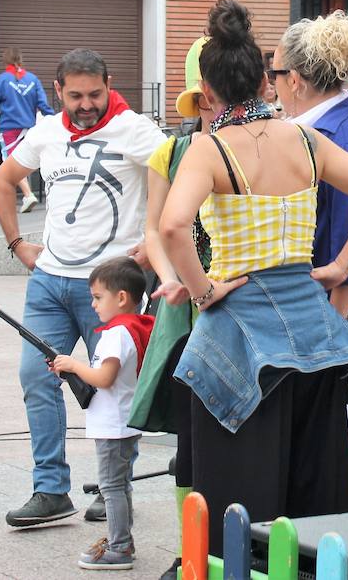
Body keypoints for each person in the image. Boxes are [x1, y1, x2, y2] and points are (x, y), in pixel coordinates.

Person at [159, 0, 348, 556]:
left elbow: (172, 226)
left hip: (240, 330)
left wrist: (203, 289)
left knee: (241, 490)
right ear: (266, 82)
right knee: (316, 477)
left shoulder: (207, 148)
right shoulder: (306, 141)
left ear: (208, 92)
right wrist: (338, 267)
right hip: (313, 330)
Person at [0, 47, 166, 529]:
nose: (86, 104)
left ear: (109, 83)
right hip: (49, 279)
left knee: (114, 388)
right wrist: (16, 243)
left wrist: (154, 242)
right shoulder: (46, 131)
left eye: (95, 94)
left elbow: (179, 176)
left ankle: (114, 487)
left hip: (112, 286)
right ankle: (50, 490)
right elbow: (5, 181)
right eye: (76, 96)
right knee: (36, 377)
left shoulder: (135, 128)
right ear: (58, 92)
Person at [273, 11, 348, 509]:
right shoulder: (333, 127)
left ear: (296, 81)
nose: (272, 84)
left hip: (337, 324)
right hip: (331, 319)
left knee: (336, 448)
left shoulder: (342, 139)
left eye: (275, 73)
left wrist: (328, 333)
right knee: (328, 447)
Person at [134, 36, 216, 580]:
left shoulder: (265, 142)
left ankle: (236, 545)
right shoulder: (171, 151)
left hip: (241, 305)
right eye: (202, 98)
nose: (209, 106)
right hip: (185, 311)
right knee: (189, 438)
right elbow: (155, 228)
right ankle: (192, 552)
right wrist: (172, 280)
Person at [50, 257, 155, 571]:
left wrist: (72, 365)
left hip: (114, 425)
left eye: (98, 297)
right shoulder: (131, 328)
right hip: (121, 422)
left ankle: (119, 546)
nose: (93, 304)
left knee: (111, 487)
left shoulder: (115, 334)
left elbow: (103, 378)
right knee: (120, 485)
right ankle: (122, 541)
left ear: (121, 298)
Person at [0, 47, 54, 213]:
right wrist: (56, 121)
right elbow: (43, 105)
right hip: (29, 128)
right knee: (26, 159)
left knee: (12, 161)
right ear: (21, 60)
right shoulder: (32, 79)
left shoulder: (2, 80)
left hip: (10, 129)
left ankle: (28, 195)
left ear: (5, 61)